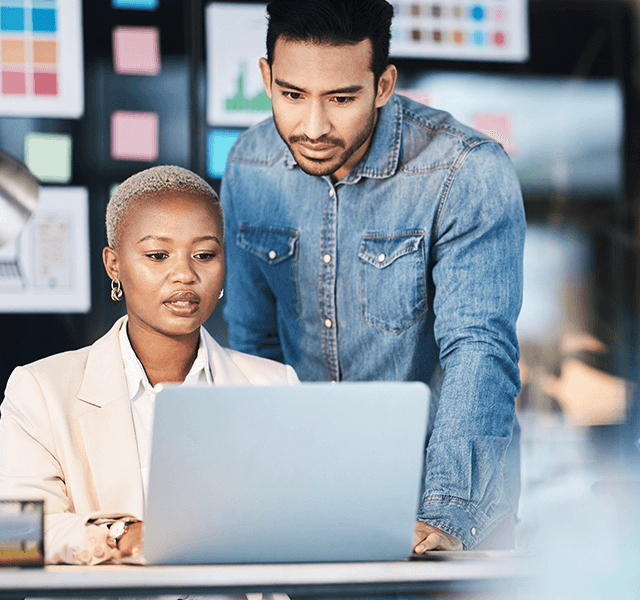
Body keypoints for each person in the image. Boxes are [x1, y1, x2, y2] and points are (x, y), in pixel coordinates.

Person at [222, 0, 525, 552]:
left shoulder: (466, 169)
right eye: (292, 95)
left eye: (341, 99)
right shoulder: (250, 165)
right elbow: (252, 352)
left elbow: (478, 351)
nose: (313, 126)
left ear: (383, 85)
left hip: (438, 509)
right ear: (266, 78)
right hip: (306, 510)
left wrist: (448, 514)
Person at [0, 166, 299, 564]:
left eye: (204, 255)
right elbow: (11, 528)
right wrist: (123, 535)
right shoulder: (41, 389)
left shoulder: (272, 386)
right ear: (114, 265)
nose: (185, 274)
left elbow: (295, 522)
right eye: (157, 255)